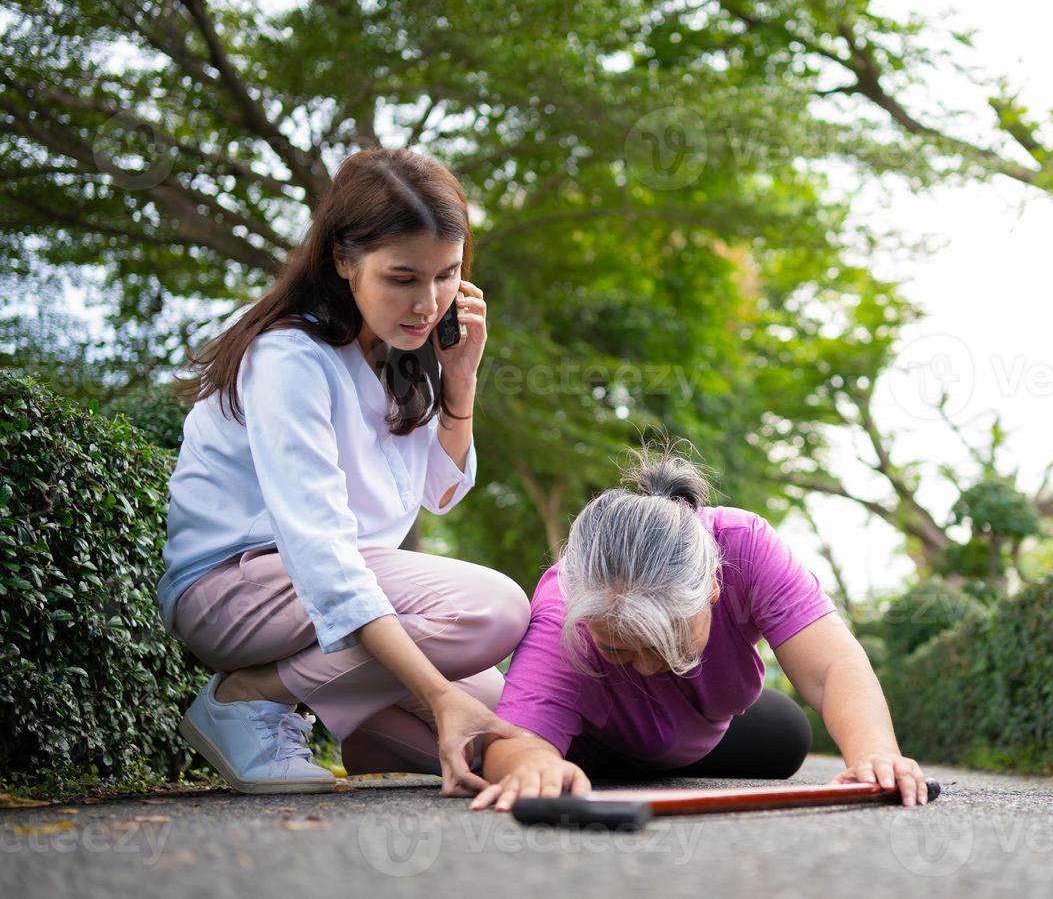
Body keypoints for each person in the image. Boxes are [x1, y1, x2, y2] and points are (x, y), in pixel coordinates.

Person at [159, 148, 529, 796]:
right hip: (235, 589)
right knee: (492, 611)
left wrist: (461, 380)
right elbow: (322, 555)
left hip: (324, 595)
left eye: (446, 277)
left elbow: (438, 493)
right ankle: (247, 696)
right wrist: (436, 691)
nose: (427, 302)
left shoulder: (398, 362)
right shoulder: (290, 358)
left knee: (508, 720)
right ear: (343, 260)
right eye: (403, 278)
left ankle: (361, 729)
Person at [470, 445, 931, 811]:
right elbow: (512, 744)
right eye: (618, 649)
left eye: (666, 645)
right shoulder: (566, 603)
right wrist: (533, 765)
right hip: (597, 745)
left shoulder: (746, 547)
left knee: (789, 736)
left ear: (713, 584)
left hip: (697, 733)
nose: (649, 669)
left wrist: (876, 755)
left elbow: (832, 665)